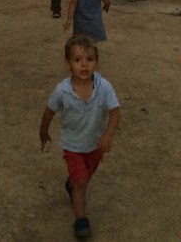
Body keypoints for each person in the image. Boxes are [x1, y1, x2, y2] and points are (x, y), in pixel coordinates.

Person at [40, 35, 121, 240]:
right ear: (67, 63)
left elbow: (115, 111)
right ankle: (81, 220)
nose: (84, 64)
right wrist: (43, 131)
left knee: (84, 178)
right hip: (73, 146)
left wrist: (108, 134)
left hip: (95, 146)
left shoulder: (104, 86)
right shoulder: (62, 90)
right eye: (77, 60)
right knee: (82, 181)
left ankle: (72, 184)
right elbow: (49, 111)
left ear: (97, 62)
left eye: (90, 59)